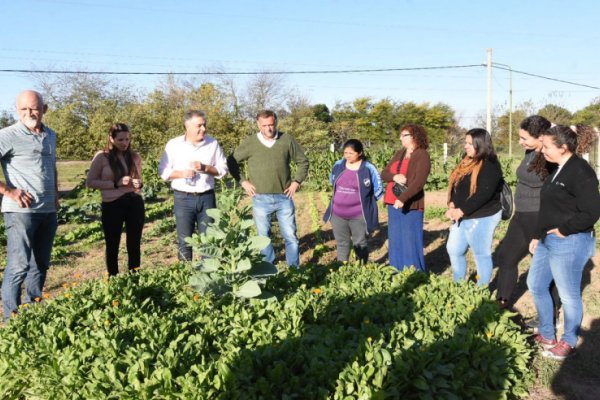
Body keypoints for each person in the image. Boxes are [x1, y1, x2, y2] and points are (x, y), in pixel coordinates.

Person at [527, 125, 600, 360]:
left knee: (568, 295)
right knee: (536, 284)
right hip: (548, 239)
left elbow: (592, 211)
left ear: (563, 147)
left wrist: (564, 230)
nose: (543, 150)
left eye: (547, 146)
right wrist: (538, 236)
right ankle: (547, 334)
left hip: (570, 240)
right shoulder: (557, 169)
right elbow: (549, 208)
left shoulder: (581, 171)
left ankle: (569, 340)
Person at [0, 90, 58, 320]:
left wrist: (55, 193)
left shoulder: (50, 135)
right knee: (19, 265)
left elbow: (51, 166)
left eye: (34, 108)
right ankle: (11, 318)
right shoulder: (8, 135)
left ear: (44, 109)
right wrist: (9, 191)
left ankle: (32, 311)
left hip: (47, 210)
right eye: (24, 109)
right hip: (20, 212)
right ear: (17, 110)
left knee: (40, 263)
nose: (29, 113)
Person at [228, 110, 309, 268]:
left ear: (276, 122)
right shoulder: (250, 142)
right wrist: (243, 181)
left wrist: (296, 182)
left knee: (290, 236)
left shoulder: (286, 140)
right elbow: (231, 162)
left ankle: (294, 269)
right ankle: (268, 269)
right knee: (263, 237)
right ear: (258, 124)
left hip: (284, 196)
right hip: (260, 198)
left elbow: (303, 161)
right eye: (264, 125)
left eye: (271, 124)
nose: (268, 128)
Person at [494, 116, 560, 309]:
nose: (520, 142)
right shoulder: (530, 152)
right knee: (506, 257)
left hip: (538, 216)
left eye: (525, 138)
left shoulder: (551, 158)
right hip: (521, 214)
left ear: (541, 137)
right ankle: (502, 302)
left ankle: (550, 310)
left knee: (545, 266)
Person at [158, 110, 228, 261]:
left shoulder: (212, 143)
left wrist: (205, 168)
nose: (203, 129)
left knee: (209, 239)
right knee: (184, 239)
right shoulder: (174, 144)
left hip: (207, 198)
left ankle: (209, 276)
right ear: (187, 126)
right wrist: (182, 174)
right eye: (199, 125)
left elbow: (223, 170)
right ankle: (185, 275)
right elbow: (163, 171)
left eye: (204, 125)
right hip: (183, 198)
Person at [446, 128, 503, 286]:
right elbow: (458, 186)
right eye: (465, 142)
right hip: (463, 214)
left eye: (470, 143)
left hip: (482, 215)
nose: (465, 146)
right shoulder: (467, 162)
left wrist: (460, 210)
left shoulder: (490, 165)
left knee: (480, 254)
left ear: (480, 144)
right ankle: (459, 284)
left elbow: (483, 195)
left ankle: (481, 290)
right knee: (454, 249)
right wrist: (452, 203)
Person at [86, 123, 145, 276]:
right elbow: (90, 182)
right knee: (112, 244)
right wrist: (114, 184)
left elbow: (139, 179)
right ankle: (113, 279)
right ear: (111, 139)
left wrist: (138, 183)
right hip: (112, 204)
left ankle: (135, 277)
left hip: (134, 202)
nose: (125, 143)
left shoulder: (134, 156)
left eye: (127, 139)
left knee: (134, 244)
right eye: (120, 140)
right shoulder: (102, 157)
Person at [381, 124, 431, 271]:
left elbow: (418, 183)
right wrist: (394, 176)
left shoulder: (422, 155)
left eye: (404, 135)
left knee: (410, 241)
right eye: (401, 135)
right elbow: (384, 174)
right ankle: (396, 271)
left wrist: (402, 198)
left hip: (410, 204)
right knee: (395, 240)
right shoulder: (400, 153)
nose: (400, 138)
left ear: (414, 136)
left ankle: (415, 274)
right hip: (392, 202)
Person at [323, 139, 383, 263]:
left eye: (351, 153)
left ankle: (361, 270)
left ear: (360, 152)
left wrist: (367, 203)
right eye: (345, 153)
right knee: (342, 243)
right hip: (338, 214)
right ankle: (342, 269)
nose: (347, 156)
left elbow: (378, 189)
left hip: (358, 215)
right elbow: (332, 181)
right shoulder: (338, 165)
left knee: (360, 243)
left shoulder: (368, 168)